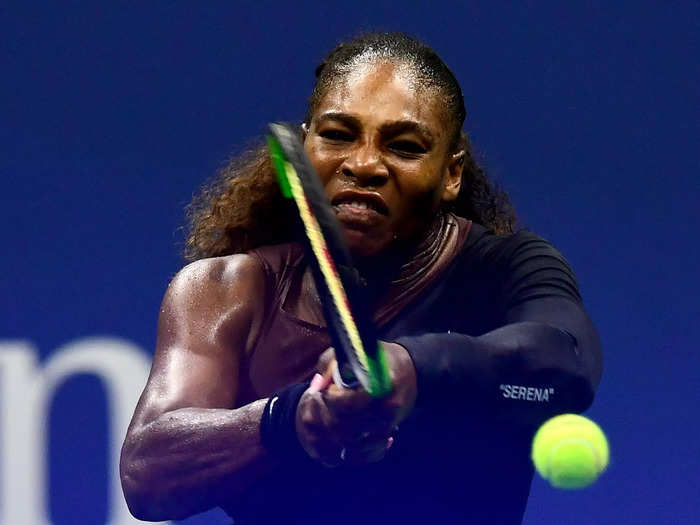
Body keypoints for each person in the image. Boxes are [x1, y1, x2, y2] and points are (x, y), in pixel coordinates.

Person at [120, 32, 602, 524]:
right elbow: (146, 473)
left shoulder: (504, 268)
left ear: (451, 173)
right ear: (305, 145)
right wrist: (288, 420)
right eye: (336, 135)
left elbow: (567, 361)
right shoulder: (228, 288)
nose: (364, 164)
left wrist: (413, 369)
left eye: (405, 146)